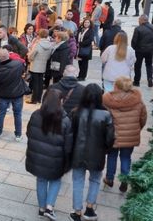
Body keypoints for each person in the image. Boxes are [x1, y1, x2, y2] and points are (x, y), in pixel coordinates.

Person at [69, 84, 115, 221]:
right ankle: (89, 209)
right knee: (95, 180)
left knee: (77, 181)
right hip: (97, 154)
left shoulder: (76, 112)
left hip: (78, 153)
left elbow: (70, 134)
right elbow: (110, 138)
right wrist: (105, 150)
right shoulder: (106, 115)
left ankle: (77, 212)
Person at [26, 89, 73, 220]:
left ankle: (41, 209)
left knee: (41, 180)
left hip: (37, 157)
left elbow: (29, 133)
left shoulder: (36, 115)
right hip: (56, 159)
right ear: (60, 102)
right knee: (55, 180)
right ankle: (49, 208)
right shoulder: (65, 120)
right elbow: (68, 144)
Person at [103, 77, 146, 193]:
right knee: (126, 158)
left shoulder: (108, 100)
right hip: (130, 136)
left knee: (112, 156)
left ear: (116, 86)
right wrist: (136, 129)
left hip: (113, 136)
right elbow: (143, 118)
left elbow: (104, 119)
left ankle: (109, 179)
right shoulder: (138, 100)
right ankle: (124, 180)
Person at [0, 48, 27, 141]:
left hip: (4, 95)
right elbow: (23, 72)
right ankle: (18, 135)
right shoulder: (18, 64)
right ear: (8, 55)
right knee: (18, 114)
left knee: (1, 114)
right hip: (17, 94)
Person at [27, 29, 53, 104]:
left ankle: (34, 100)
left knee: (35, 83)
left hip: (35, 65)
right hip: (43, 64)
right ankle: (38, 99)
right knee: (40, 83)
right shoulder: (50, 44)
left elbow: (32, 54)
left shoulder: (38, 44)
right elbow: (48, 56)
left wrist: (29, 57)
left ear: (39, 35)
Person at [132, 15, 153, 87]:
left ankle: (136, 81)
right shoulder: (152, 27)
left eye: (139, 20)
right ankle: (150, 78)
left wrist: (134, 48)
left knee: (138, 66)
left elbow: (134, 41)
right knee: (149, 65)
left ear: (142, 20)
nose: (138, 21)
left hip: (139, 50)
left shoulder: (138, 29)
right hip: (150, 50)